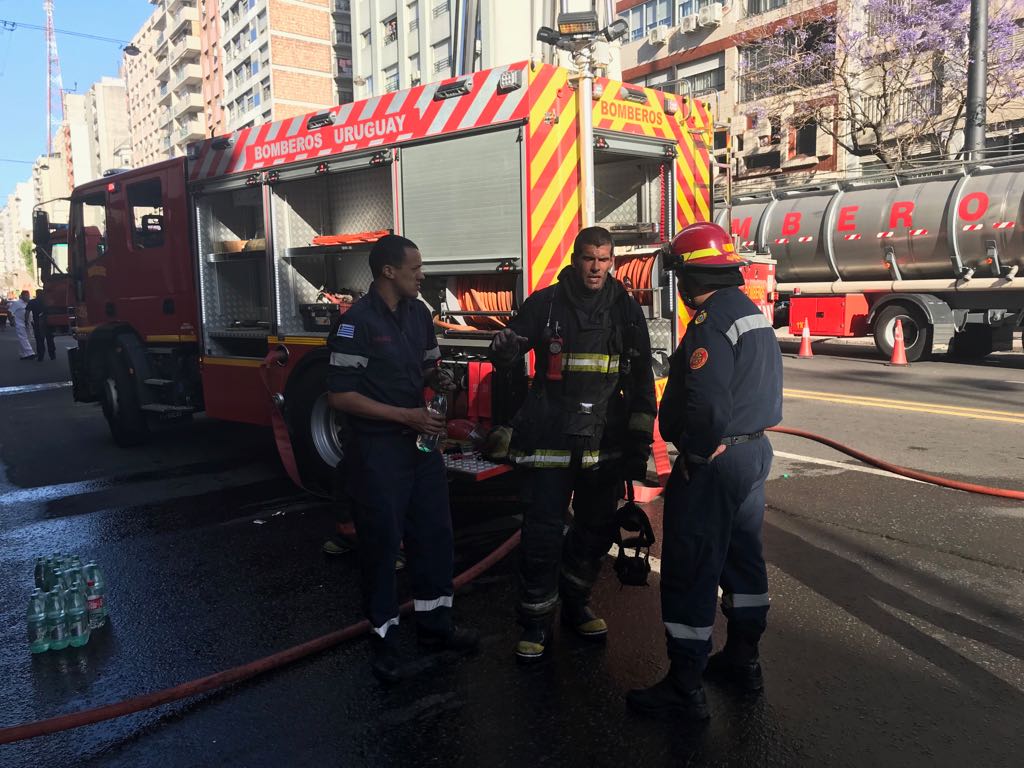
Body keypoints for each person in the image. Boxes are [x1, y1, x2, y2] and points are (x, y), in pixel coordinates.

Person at [627, 221, 783, 721]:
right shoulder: (750, 313)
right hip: (752, 453)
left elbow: (708, 404)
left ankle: (685, 685)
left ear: (689, 276)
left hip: (715, 461)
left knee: (691, 566)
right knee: (743, 560)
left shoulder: (710, 322)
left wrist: (694, 453)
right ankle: (743, 660)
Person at [489, 226, 656, 662]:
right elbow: (514, 342)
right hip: (550, 442)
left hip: (605, 445)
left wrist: (638, 449)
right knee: (542, 535)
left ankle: (577, 603)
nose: (596, 267)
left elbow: (641, 384)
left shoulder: (626, 311)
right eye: (588, 258)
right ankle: (535, 624)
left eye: (603, 259)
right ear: (575, 258)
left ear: (612, 261)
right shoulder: (545, 304)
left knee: (595, 531)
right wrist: (505, 348)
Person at [327, 234, 478, 683]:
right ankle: (385, 642)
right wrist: (405, 416)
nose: (422, 275)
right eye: (415, 269)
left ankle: (436, 627)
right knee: (381, 545)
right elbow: (339, 396)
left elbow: (428, 367)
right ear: (388, 271)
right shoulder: (355, 323)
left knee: (434, 535)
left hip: (421, 448)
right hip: (378, 452)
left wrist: (442, 379)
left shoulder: (419, 314)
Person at [27, 289, 56, 362]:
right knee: (50, 339)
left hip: (37, 323)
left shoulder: (32, 302)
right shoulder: (48, 301)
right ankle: (52, 355)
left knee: (39, 340)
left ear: (36, 294)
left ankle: (41, 356)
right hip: (48, 323)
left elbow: (27, 312)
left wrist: (26, 321)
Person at [10, 290, 35, 360]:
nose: (28, 297)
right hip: (20, 323)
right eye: (27, 295)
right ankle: (30, 353)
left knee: (28, 338)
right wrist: (11, 321)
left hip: (28, 323)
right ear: (23, 296)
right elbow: (10, 311)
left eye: (29, 295)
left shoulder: (28, 303)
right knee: (23, 338)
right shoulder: (17, 303)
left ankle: (23, 354)